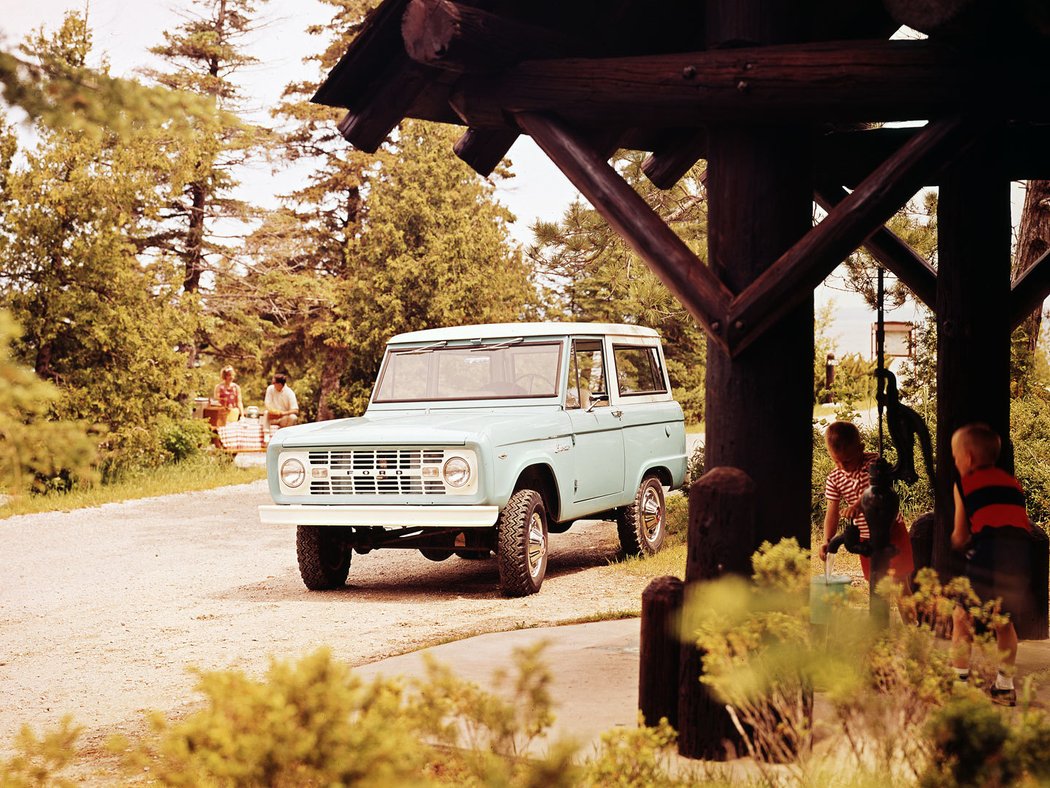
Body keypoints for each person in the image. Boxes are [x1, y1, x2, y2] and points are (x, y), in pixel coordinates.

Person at [950, 422, 1033, 707]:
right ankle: (1004, 687)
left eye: (956, 457)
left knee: (961, 618)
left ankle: (959, 686)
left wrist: (958, 544)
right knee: (1003, 621)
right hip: (1020, 558)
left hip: (988, 554)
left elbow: (960, 535)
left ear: (969, 459)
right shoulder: (1013, 484)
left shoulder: (964, 483)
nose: (956, 463)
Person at [818, 421, 914, 590]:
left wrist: (857, 506)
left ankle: (909, 617)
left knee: (900, 586)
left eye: (847, 461)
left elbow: (874, 490)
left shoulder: (873, 462)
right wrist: (828, 540)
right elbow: (832, 513)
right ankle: (877, 616)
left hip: (892, 530)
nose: (842, 467)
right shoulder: (834, 478)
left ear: (860, 448)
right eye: (836, 461)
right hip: (865, 537)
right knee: (875, 585)